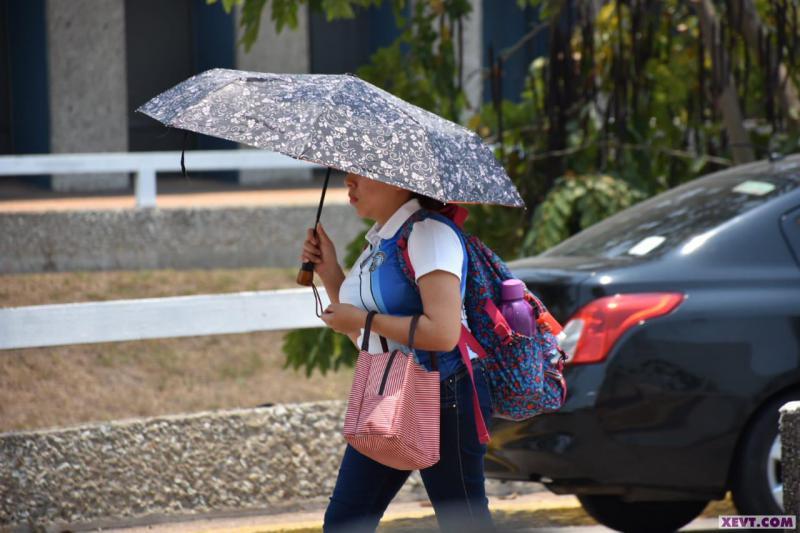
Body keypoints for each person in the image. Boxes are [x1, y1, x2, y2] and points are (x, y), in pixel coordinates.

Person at [299, 171, 495, 533]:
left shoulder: (429, 235)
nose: (348, 183)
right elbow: (367, 335)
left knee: (464, 521)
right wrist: (329, 272)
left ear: (399, 181)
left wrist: (361, 318)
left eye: (360, 175)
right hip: (391, 391)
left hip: (445, 393)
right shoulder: (381, 239)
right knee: (345, 522)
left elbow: (443, 332)